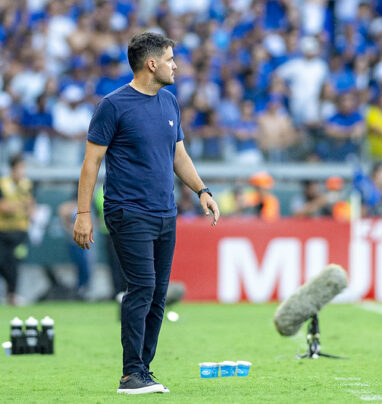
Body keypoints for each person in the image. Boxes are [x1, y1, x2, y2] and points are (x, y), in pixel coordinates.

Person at [72, 32, 219, 395]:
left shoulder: (169, 102)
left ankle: (144, 370)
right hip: (127, 210)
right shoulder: (113, 104)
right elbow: (91, 162)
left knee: (157, 294)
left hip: (164, 212)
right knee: (142, 287)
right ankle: (130, 374)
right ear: (151, 64)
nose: (176, 65)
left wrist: (201, 190)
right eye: (170, 59)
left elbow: (178, 155)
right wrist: (82, 213)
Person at [0, 155, 34, 305]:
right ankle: (9, 292)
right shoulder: (3, 183)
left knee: (15, 262)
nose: (22, 172)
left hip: (20, 231)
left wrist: (23, 209)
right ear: (13, 168)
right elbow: (2, 207)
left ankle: (12, 294)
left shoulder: (27, 184)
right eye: (19, 168)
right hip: (3, 230)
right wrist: (19, 207)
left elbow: (31, 207)